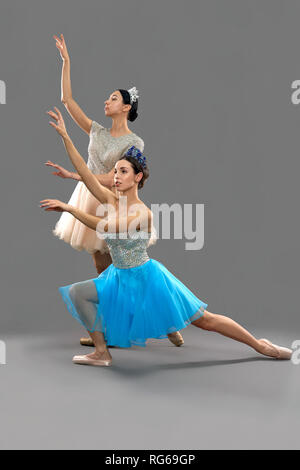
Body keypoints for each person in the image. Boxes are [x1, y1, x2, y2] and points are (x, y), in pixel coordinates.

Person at [39, 108, 293, 367]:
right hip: (119, 277)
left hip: (147, 279)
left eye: (123, 171)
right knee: (77, 293)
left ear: (137, 177)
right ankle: (102, 353)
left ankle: (261, 345)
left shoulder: (142, 213)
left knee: (205, 320)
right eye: (115, 171)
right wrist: (66, 137)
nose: (116, 176)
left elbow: (108, 227)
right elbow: (85, 172)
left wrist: (71, 208)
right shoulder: (112, 200)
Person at [46, 33, 184, 347]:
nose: (106, 102)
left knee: (129, 269)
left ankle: (165, 321)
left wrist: (75, 175)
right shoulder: (96, 130)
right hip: (89, 197)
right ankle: (107, 327)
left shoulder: (134, 143)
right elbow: (68, 102)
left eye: (112, 99)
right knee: (102, 268)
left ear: (126, 107)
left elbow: (112, 179)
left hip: (112, 202)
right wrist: (66, 61)